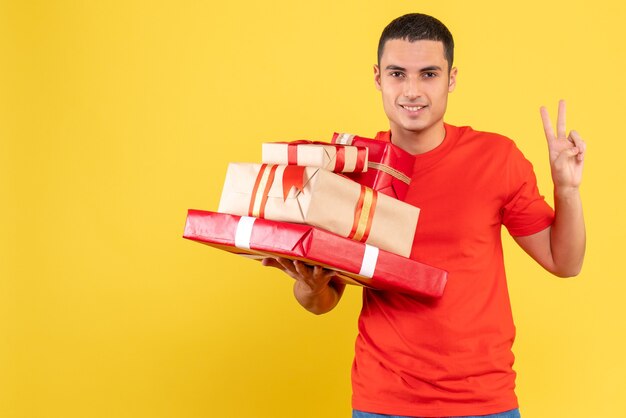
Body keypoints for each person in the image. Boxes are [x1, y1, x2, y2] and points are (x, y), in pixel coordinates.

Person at [262, 13, 586, 418]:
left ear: (451, 79)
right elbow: (323, 301)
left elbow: (564, 262)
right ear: (378, 77)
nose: (412, 90)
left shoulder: (497, 158)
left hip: (484, 402)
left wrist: (567, 189)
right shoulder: (354, 169)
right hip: (383, 401)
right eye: (398, 74)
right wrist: (309, 287)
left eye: (428, 74)